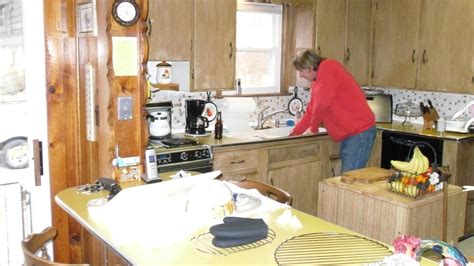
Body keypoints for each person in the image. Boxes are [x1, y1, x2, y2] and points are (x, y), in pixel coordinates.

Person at [290, 49, 376, 173]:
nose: (300, 75)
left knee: (349, 182)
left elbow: (321, 104)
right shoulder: (317, 82)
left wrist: (313, 129)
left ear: (310, 67)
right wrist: (294, 134)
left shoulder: (328, 67)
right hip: (350, 134)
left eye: (301, 71)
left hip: (359, 132)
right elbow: (311, 111)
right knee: (346, 181)